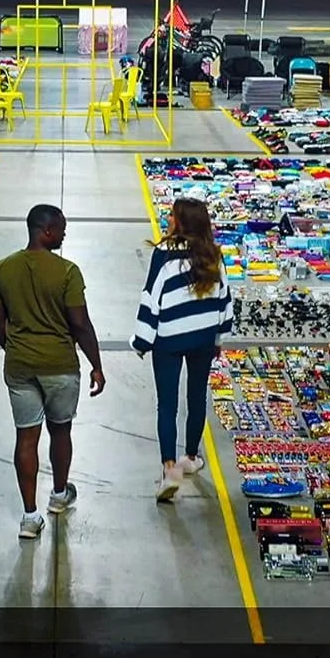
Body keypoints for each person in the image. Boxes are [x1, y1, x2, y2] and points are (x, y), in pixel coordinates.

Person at [0, 205, 105, 539]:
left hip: (20, 367)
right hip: (60, 366)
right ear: (46, 230)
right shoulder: (68, 272)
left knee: (26, 437)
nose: (65, 234)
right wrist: (96, 364)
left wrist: (15, 349)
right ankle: (57, 495)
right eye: (62, 228)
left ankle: (29, 516)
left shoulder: (2, 270)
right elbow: (80, 324)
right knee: (61, 431)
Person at [132, 197, 233, 502]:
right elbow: (225, 299)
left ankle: (170, 469)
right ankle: (191, 456)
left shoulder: (163, 255)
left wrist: (142, 340)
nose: (168, 219)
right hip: (202, 337)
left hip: (169, 338)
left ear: (181, 222)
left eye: (172, 216)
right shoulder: (213, 255)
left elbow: (152, 298)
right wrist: (218, 339)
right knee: (197, 395)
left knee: (167, 404)